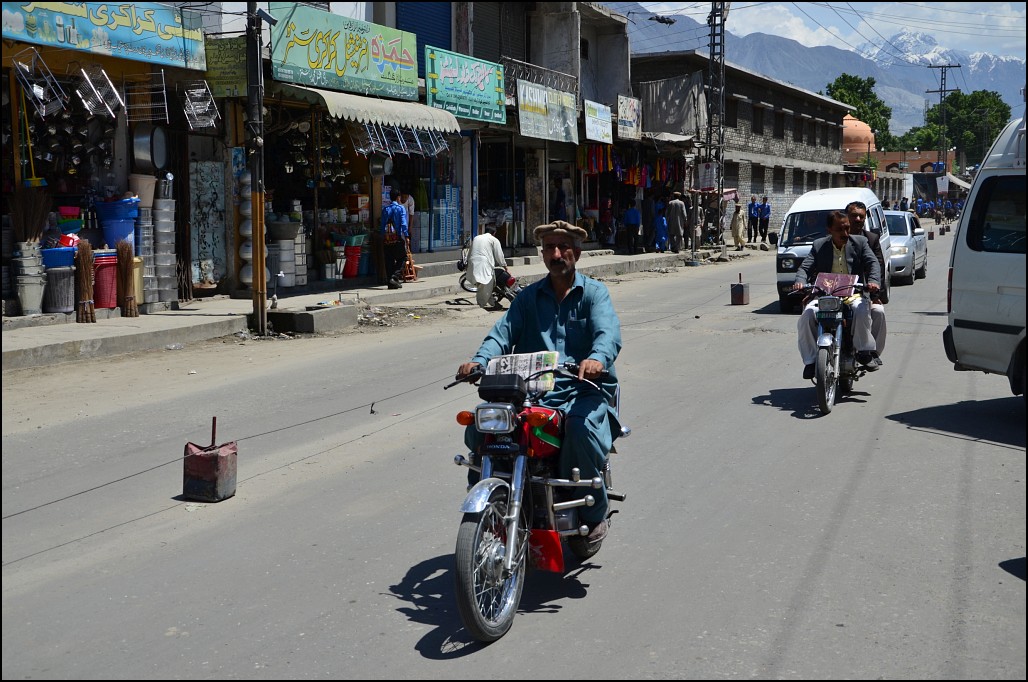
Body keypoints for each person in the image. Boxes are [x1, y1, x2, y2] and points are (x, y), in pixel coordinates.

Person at [455, 220, 623, 546]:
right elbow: (501, 335)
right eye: (550, 248)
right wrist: (479, 361)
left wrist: (597, 359)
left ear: (577, 251)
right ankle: (485, 495)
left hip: (580, 390)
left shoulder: (594, 295)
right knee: (482, 423)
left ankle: (594, 513)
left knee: (580, 429)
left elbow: (608, 334)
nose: (556, 253)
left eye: (563, 247)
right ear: (542, 254)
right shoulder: (527, 298)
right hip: (531, 392)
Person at [791, 210, 881, 380]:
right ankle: (811, 361)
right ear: (829, 230)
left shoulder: (860, 242)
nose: (845, 233)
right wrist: (800, 280)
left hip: (853, 293)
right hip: (825, 295)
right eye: (840, 230)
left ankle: (863, 351)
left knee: (861, 311)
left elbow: (873, 262)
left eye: (847, 229)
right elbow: (804, 268)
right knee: (806, 316)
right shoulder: (819, 245)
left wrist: (873, 281)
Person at [845, 201, 888, 359]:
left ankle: (872, 352)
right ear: (846, 217)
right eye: (853, 215)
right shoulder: (835, 238)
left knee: (879, 312)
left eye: (860, 216)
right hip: (836, 291)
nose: (857, 219)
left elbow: (878, 267)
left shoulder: (871, 239)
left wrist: (876, 295)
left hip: (861, 292)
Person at [467, 224, 510, 310]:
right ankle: (482, 305)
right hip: (484, 264)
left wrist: (468, 265)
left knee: (482, 286)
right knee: (486, 285)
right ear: (494, 233)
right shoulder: (493, 239)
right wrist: (505, 266)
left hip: (473, 263)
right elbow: (499, 255)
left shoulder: (476, 238)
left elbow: (470, 251)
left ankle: (492, 302)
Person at [380, 187, 409, 289]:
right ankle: (394, 277)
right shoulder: (401, 209)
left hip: (387, 240)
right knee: (403, 258)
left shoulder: (385, 210)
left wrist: (383, 237)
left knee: (389, 261)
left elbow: (382, 225)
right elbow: (404, 224)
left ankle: (390, 282)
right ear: (398, 197)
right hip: (397, 239)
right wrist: (406, 236)